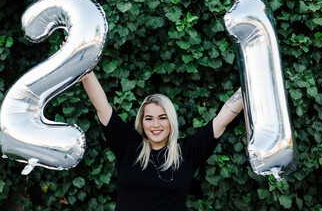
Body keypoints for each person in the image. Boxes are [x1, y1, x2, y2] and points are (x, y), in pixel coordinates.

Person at [82, 71, 243, 211]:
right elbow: (102, 106)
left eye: (162, 118)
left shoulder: (187, 151)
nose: (156, 125)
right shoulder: (128, 145)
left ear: (170, 121)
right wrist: (82, 65)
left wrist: (251, 81)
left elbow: (222, 119)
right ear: (142, 122)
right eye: (149, 118)